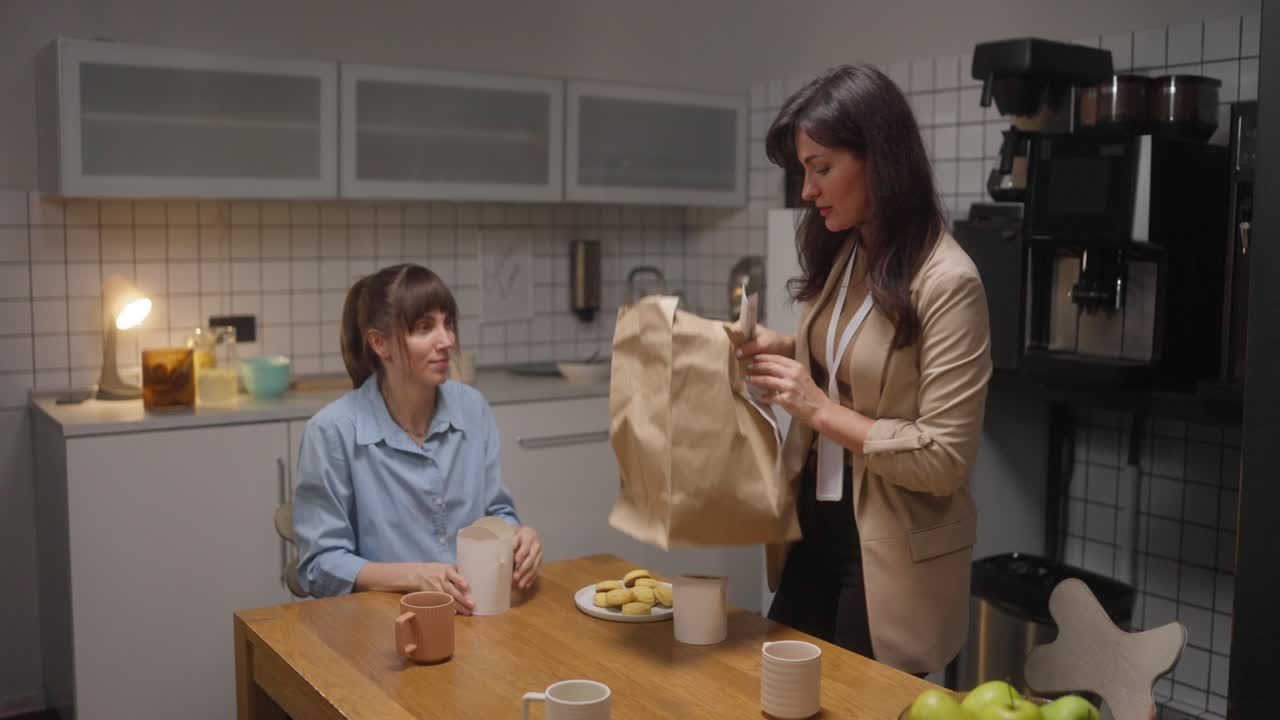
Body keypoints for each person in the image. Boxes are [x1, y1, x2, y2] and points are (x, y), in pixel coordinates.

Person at [738, 64, 992, 675]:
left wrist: (819, 409)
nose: (807, 190)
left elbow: (945, 458)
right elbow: (861, 347)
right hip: (816, 531)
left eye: (821, 168)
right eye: (805, 170)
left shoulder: (951, 282)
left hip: (888, 554)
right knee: (781, 694)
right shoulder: (851, 250)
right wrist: (789, 344)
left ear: (879, 158)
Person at [293, 263, 542, 612]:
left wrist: (517, 536)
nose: (447, 341)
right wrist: (417, 576)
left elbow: (495, 511)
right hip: (382, 625)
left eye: (448, 323)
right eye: (425, 327)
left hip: (475, 612)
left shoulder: (473, 408)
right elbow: (319, 566)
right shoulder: (332, 431)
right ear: (380, 343)